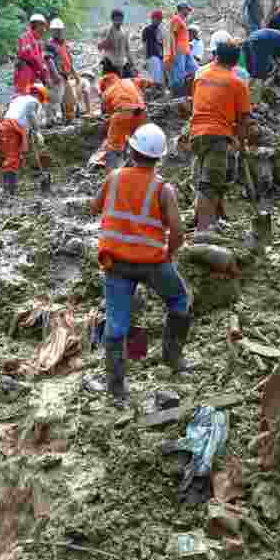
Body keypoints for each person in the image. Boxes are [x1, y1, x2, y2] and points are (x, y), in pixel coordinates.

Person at [91, 123, 190, 404]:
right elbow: (178, 232)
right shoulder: (163, 189)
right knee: (179, 302)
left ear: (131, 150)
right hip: (152, 263)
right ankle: (173, 358)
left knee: (117, 324)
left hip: (116, 263)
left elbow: (94, 207)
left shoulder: (113, 178)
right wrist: (168, 253)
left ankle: (117, 389)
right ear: (159, 157)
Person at [190, 40, 252, 231]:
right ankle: (202, 230)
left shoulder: (200, 77)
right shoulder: (237, 83)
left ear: (216, 56)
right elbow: (243, 121)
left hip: (197, 135)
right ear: (235, 62)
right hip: (217, 136)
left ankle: (209, 220)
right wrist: (241, 144)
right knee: (209, 185)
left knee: (210, 179)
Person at [98, 58, 149, 169]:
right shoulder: (129, 81)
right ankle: (139, 170)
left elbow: (106, 112)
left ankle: (111, 176)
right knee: (139, 144)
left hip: (121, 113)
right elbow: (144, 82)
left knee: (113, 148)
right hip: (141, 112)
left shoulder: (106, 89)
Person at [0, 88, 45, 197]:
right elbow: (31, 115)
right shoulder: (33, 101)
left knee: (11, 157)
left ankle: (8, 189)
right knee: (12, 159)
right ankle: (9, 192)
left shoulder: (18, 99)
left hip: (4, 126)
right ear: (39, 97)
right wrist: (38, 131)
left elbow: (9, 112)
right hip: (13, 127)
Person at [47, 19, 79, 122]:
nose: (59, 32)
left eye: (60, 30)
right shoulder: (49, 45)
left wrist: (75, 74)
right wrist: (55, 75)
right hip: (57, 76)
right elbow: (48, 60)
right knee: (55, 100)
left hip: (65, 76)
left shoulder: (64, 43)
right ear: (52, 31)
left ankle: (69, 119)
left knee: (69, 100)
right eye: (56, 30)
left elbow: (68, 59)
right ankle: (50, 121)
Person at [165, 1, 198, 96]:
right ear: (182, 9)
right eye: (187, 10)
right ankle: (177, 94)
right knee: (179, 74)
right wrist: (173, 51)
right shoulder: (176, 19)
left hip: (185, 50)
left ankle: (188, 91)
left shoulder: (181, 20)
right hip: (179, 50)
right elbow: (173, 35)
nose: (188, 12)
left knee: (194, 69)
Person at [16, 13, 50, 94]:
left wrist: (45, 75)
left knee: (43, 98)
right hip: (26, 75)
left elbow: (40, 60)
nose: (44, 29)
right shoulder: (26, 37)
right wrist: (44, 74)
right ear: (36, 24)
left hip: (35, 76)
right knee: (25, 99)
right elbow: (30, 56)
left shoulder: (38, 41)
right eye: (42, 25)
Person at [98, 9, 134, 78]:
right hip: (110, 63)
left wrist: (132, 63)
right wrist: (107, 39)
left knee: (130, 82)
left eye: (120, 19)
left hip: (122, 63)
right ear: (112, 19)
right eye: (116, 19)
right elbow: (100, 47)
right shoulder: (106, 31)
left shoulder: (124, 32)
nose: (119, 22)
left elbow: (127, 49)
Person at [142, 10, 166, 89]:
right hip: (151, 55)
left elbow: (162, 43)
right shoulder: (147, 30)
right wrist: (145, 59)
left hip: (160, 56)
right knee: (155, 78)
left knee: (160, 77)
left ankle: (157, 93)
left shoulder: (160, 30)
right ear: (152, 18)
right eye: (157, 19)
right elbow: (145, 45)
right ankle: (154, 93)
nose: (159, 21)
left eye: (160, 19)